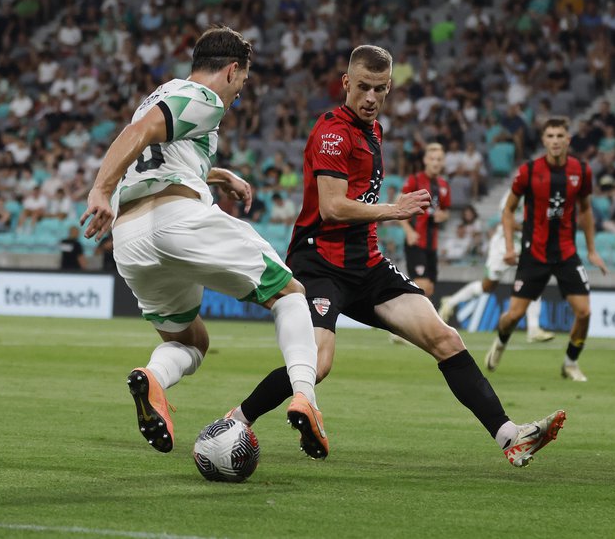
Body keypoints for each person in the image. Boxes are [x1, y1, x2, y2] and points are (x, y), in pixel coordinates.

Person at [226, 45, 566, 467]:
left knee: (446, 339)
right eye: (363, 87)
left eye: (380, 90)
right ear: (346, 83)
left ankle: (509, 437)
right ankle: (237, 420)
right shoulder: (333, 130)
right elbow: (332, 207)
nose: (370, 97)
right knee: (316, 363)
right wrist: (394, 209)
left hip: (366, 264)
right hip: (321, 262)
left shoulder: (374, 130)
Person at [80, 27, 327, 459]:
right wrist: (100, 189)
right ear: (232, 71)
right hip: (176, 219)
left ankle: (153, 378)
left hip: (132, 240)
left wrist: (218, 174)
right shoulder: (204, 98)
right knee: (290, 295)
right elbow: (139, 133)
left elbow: (155, 149)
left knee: (190, 342)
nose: (238, 96)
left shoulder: (162, 95)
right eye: (243, 85)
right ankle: (305, 395)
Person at [485, 118, 608, 382]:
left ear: (568, 140)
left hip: (566, 252)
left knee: (584, 312)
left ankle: (570, 363)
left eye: (560, 135)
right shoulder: (529, 171)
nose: (555, 140)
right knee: (513, 316)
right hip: (534, 253)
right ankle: (501, 340)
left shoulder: (581, 171)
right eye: (550, 135)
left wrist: (592, 249)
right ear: (543, 140)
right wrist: (509, 246)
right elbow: (508, 210)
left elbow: (585, 210)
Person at [438, 191, 555, 343]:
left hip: (525, 244)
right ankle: (451, 301)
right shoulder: (514, 193)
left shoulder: (542, 195)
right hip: (503, 244)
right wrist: (530, 232)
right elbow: (507, 220)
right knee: (488, 286)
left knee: (534, 279)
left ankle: (533, 328)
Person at [398, 142, 450, 297]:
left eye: (439, 159)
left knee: (430, 289)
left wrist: (443, 216)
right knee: (423, 287)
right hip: (416, 241)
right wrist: (408, 232)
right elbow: (399, 206)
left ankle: (411, 319)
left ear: (443, 162)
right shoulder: (415, 180)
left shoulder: (444, 185)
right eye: (433, 159)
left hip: (432, 244)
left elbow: (446, 211)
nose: (436, 163)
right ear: (425, 160)